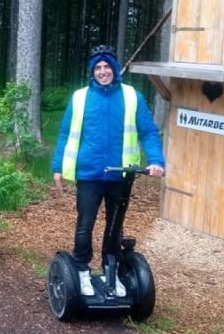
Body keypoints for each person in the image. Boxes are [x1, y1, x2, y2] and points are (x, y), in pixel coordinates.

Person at [51, 45, 165, 297]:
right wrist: (58, 165)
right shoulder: (80, 97)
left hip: (121, 174)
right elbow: (65, 132)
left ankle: (110, 270)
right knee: (85, 224)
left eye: (107, 67)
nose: (103, 71)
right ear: (93, 72)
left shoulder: (131, 96)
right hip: (89, 173)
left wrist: (156, 160)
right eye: (98, 68)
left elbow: (148, 131)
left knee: (115, 227)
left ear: (115, 69)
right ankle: (81, 271)